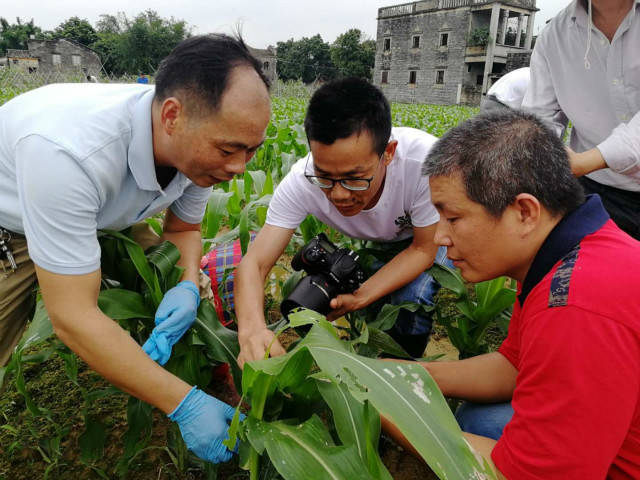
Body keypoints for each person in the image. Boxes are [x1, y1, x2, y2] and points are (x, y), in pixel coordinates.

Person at [0, 34, 271, 464]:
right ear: (172, 116)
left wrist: (184, 283)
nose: (238, 167)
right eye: (229, 150)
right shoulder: (68, 152)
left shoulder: (195, 152)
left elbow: (183, 227)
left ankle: (198, 364)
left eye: (251, 151)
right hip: (11, 226)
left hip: (105, 211)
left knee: (173, 276)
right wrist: (184, 404)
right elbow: (72, 316)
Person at [383, 110, 640, 479]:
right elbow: (513, 366)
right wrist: (403, 375)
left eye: (453, 218)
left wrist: (386, 405)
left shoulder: (576, 305)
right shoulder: (566, 256)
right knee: (481, 418)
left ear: (524, 212)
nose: (439, 236)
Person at [235, 77, 450, 365]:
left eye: (354, 178)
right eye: (325, 176)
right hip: (385, 237)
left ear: (388, 154)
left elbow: (423, 250)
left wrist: (361, 296)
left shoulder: (425, 165)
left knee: (413, 295)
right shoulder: (302, 180)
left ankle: (403, 367)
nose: (339, 194)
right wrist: (252, 330)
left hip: (433, 233)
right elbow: (255, 262)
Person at [522, 0, 640, 239]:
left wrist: (586, 160)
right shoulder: (554, 37)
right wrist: (545, 156)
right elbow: (540, 116)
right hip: (602, 194)